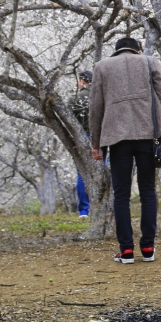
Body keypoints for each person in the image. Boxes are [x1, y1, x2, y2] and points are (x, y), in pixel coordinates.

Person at [90, 37, 161, 264]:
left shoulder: (102, 67)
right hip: (147, 134)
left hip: (117, 137)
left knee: (121, 195)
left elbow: (95, 107)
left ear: (117, 51)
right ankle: (148, 247)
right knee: (148, 192)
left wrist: (96, 143)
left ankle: (126, 250)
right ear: (137, 50)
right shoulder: (150, 61)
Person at [69, 70, 93, 218]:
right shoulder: (100, 96)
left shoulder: (75, 99)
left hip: (82, 138)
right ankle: (102, 205)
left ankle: (84, 210)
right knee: (102, 170)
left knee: (82, 174)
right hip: (100, 139)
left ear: (82, 81)